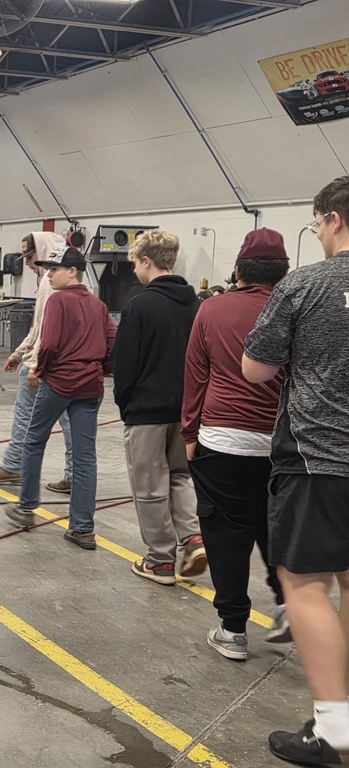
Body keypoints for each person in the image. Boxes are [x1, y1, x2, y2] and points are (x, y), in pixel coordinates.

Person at [243, 177, 349, 765]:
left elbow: (256, 368)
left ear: (333, 219)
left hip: (319, 457)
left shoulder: (307, 284)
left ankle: (333, 728)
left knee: (304, 583)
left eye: (317, 223)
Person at [181, 228, 290, 661]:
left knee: (226, 536)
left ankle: (232, 630)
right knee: (275, 527)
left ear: (238, 270)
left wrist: (189, 434)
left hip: (222, 439)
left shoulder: (212, 309)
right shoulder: (293, 308)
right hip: (281, 443)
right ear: (284, 273)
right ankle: (288, 604)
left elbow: (196, 374)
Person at [3, 247, 115, 549]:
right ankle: (82, 527)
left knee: (33, 441)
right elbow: (111, 341)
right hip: (90, 386)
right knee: (85, 456)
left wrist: (39, 370)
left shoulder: (57, 300)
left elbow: (50, 343)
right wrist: (103, 369)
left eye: (55, 269)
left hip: (60, 383)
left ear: (72, 272)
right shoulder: (98, 305)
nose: (49, 275)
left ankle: (26, 507)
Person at [112, 230, 205, 586]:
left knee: (150, 486)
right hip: (186, 412)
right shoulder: (196, 306)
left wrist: (127, 405)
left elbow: (124, 364)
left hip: (147, 411)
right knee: (180, 476)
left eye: (135, 263)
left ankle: (160, 561)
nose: (134, 270)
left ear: (147, 261)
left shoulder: (138, 306)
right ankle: (192, 538)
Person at [0, 231, 73, 493]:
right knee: (69, 422)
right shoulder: (53, 282)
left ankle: (15, 466)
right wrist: (19, 353)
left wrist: (36, 366)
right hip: (58, 365)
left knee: (28, 417)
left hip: (48, 366)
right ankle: (72, 474)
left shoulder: (50, 285)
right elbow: (38, 327)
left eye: (30, 257)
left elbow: (49, 333)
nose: (28, 263)